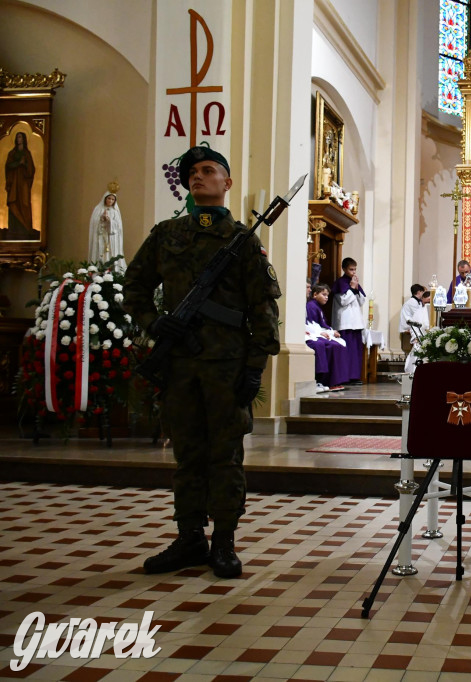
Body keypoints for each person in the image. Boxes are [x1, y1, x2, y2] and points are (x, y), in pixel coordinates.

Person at [123, 145, 281, 580]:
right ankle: (190, 537)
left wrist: (254, 367)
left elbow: (263, 308)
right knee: (188, 455)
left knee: (226, 457)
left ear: (226, 183)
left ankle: (224, 543)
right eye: (192, 172)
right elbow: (133, 287)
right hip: (180, 366)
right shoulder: (166, 235)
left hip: (226, 368)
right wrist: (156, 325)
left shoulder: (243, 242)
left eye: (209, 170)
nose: (198, 176)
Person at [330, 257, 367, 384]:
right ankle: (345, 377)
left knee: (355, 352)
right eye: (351, 269)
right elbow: (343, 301)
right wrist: (351, 288)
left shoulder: (354, 283)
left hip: (356, 323)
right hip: (344, 322)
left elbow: (362, 301)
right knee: (347, 351)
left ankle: (355, 376)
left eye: (355, 269)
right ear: (344, 269)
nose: (354, 272)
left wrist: (356, 289)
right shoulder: (340, 282)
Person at [306, 282, 348, 391]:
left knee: (338, 344)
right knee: (330, 345)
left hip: (316, 332)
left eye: (327, 295)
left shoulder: (316, 306)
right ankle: (325, 381)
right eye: (324, 295)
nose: (326, 298)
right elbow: (311, 324)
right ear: (315, 295)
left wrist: (330, 331)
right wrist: (327, 333)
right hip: (311, 334)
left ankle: (334, 381)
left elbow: (321, 324)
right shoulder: (311, 306)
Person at [4, 131, 36, 240]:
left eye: (20, 137)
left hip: (23, 185)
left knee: (25, 204)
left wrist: (25, 164)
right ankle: (13, 231)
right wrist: (19, 163)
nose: (19, 139)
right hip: (14, 184)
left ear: (24, 139)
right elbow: (8, 167)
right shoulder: (12, 153)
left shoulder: (27, 154)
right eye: (17, 137)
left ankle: (26, 230)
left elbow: (31, 170)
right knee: (14, 204)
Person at [88, 191, 126, 272]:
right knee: (101, 254)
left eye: (113, 199)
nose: (110, 201)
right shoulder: (98, 209)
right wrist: (101, 218)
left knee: (111, 256)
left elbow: (118, 227)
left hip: (111, 239)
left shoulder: (115, 211)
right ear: (105, 198)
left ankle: (112, 273)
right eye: (109, 198)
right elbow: (94, 223)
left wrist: (110, 221)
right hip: (100, 237)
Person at [399, 284, 431, 353]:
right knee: (424, 329)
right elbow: (417, 316)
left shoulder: (416, 301)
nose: (423, 295)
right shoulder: (412, 302)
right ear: (419, 292)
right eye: (423, 292)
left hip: (412, 322)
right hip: (407, 325)